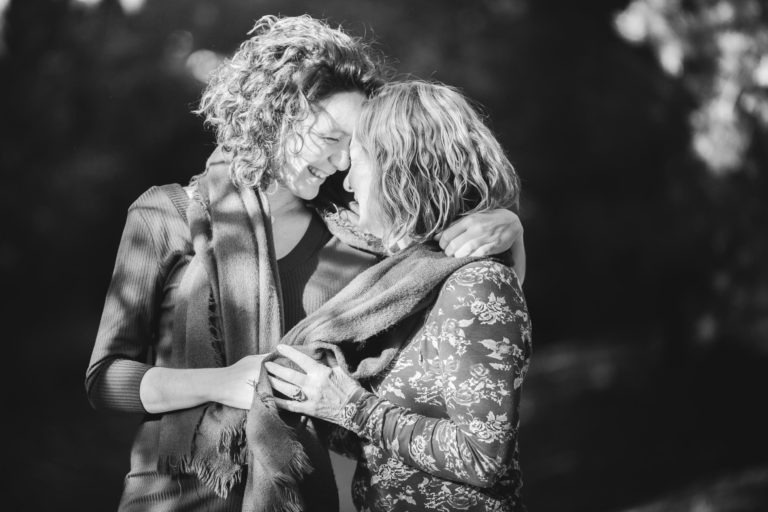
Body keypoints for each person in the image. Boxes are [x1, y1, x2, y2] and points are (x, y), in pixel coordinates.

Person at [85, 16, 524, 512]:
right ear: (279, 113)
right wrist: (224, 381)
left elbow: (471, 308)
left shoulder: (365, 230)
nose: (341, 162)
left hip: (306, 495)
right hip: (176, 497)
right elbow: (105, 379)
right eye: (331, 137)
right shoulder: (164, 212)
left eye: (353, 147)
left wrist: (508, 224)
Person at [265, 81, 532, 512]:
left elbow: (483, 459)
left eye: (357, 164)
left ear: (399, 169)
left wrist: (349, 405)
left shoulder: (476, 284)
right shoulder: (413, 281)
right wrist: (317, 401)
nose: (347, 183)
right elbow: (393, 444)